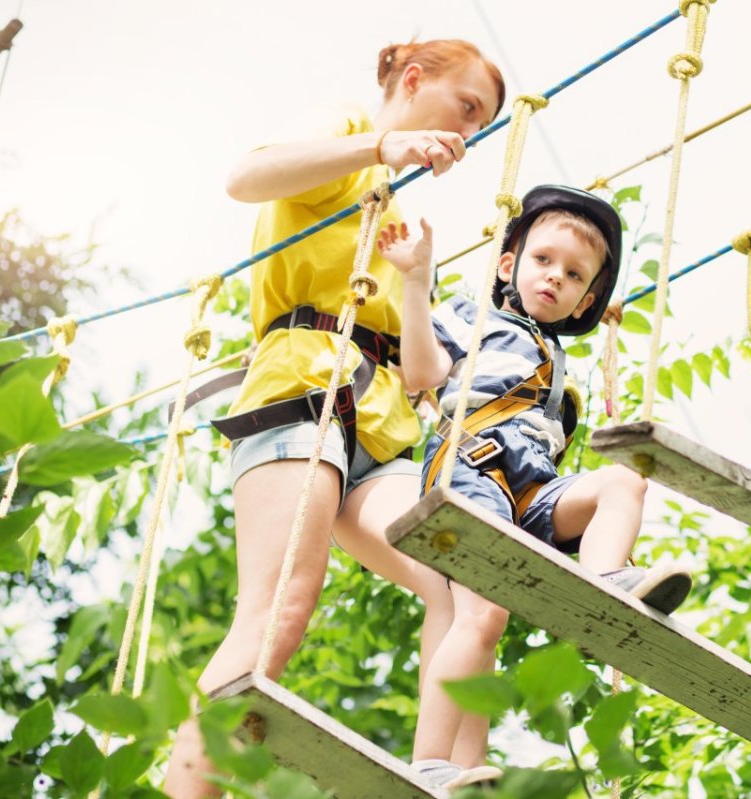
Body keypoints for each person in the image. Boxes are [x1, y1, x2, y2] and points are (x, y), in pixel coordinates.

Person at [164, 40, 505, 798]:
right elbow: (245, 177)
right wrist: (382, 142)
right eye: (467, 107)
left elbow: (422, 373)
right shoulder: (347, 135)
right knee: (280, 606)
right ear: (414, 81)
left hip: (381, 418)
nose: (469, 131)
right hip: (302, 388)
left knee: (461, 583)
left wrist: (418, 281)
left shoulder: (397, 214)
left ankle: (443, 767)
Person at [377, 184, 693, 785]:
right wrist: (417, 284)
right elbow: (421, 373)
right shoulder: (471, 317)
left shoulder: (556, 353)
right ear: (507, 265)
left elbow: (587, 300)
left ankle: (606, 581)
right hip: (472, 471)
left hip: (534, 489)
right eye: (543, 261)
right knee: (482, 618)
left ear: (585, 300)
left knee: (622, 481)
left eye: (573, 276)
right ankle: (430, 763)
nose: (554, 278)